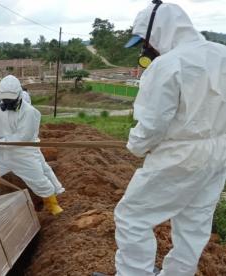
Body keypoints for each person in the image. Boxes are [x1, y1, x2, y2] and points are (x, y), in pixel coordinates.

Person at [94, 2, 226, 276]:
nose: (146, 49)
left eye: (145, 41)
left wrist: (136, 145)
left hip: (180, 155)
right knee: (194, 221)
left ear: (161, 32)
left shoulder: (168, 65)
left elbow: (152, 125)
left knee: (132, 217)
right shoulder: (222, 54)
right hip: (219, 152)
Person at [0, 75, 64, 215]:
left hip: (23, 154)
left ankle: (53, 205)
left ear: (19, 95)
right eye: (4, 98)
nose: (7, 102)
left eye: (10, 99)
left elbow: (22, 138)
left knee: (39, 181)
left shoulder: (30, 113)